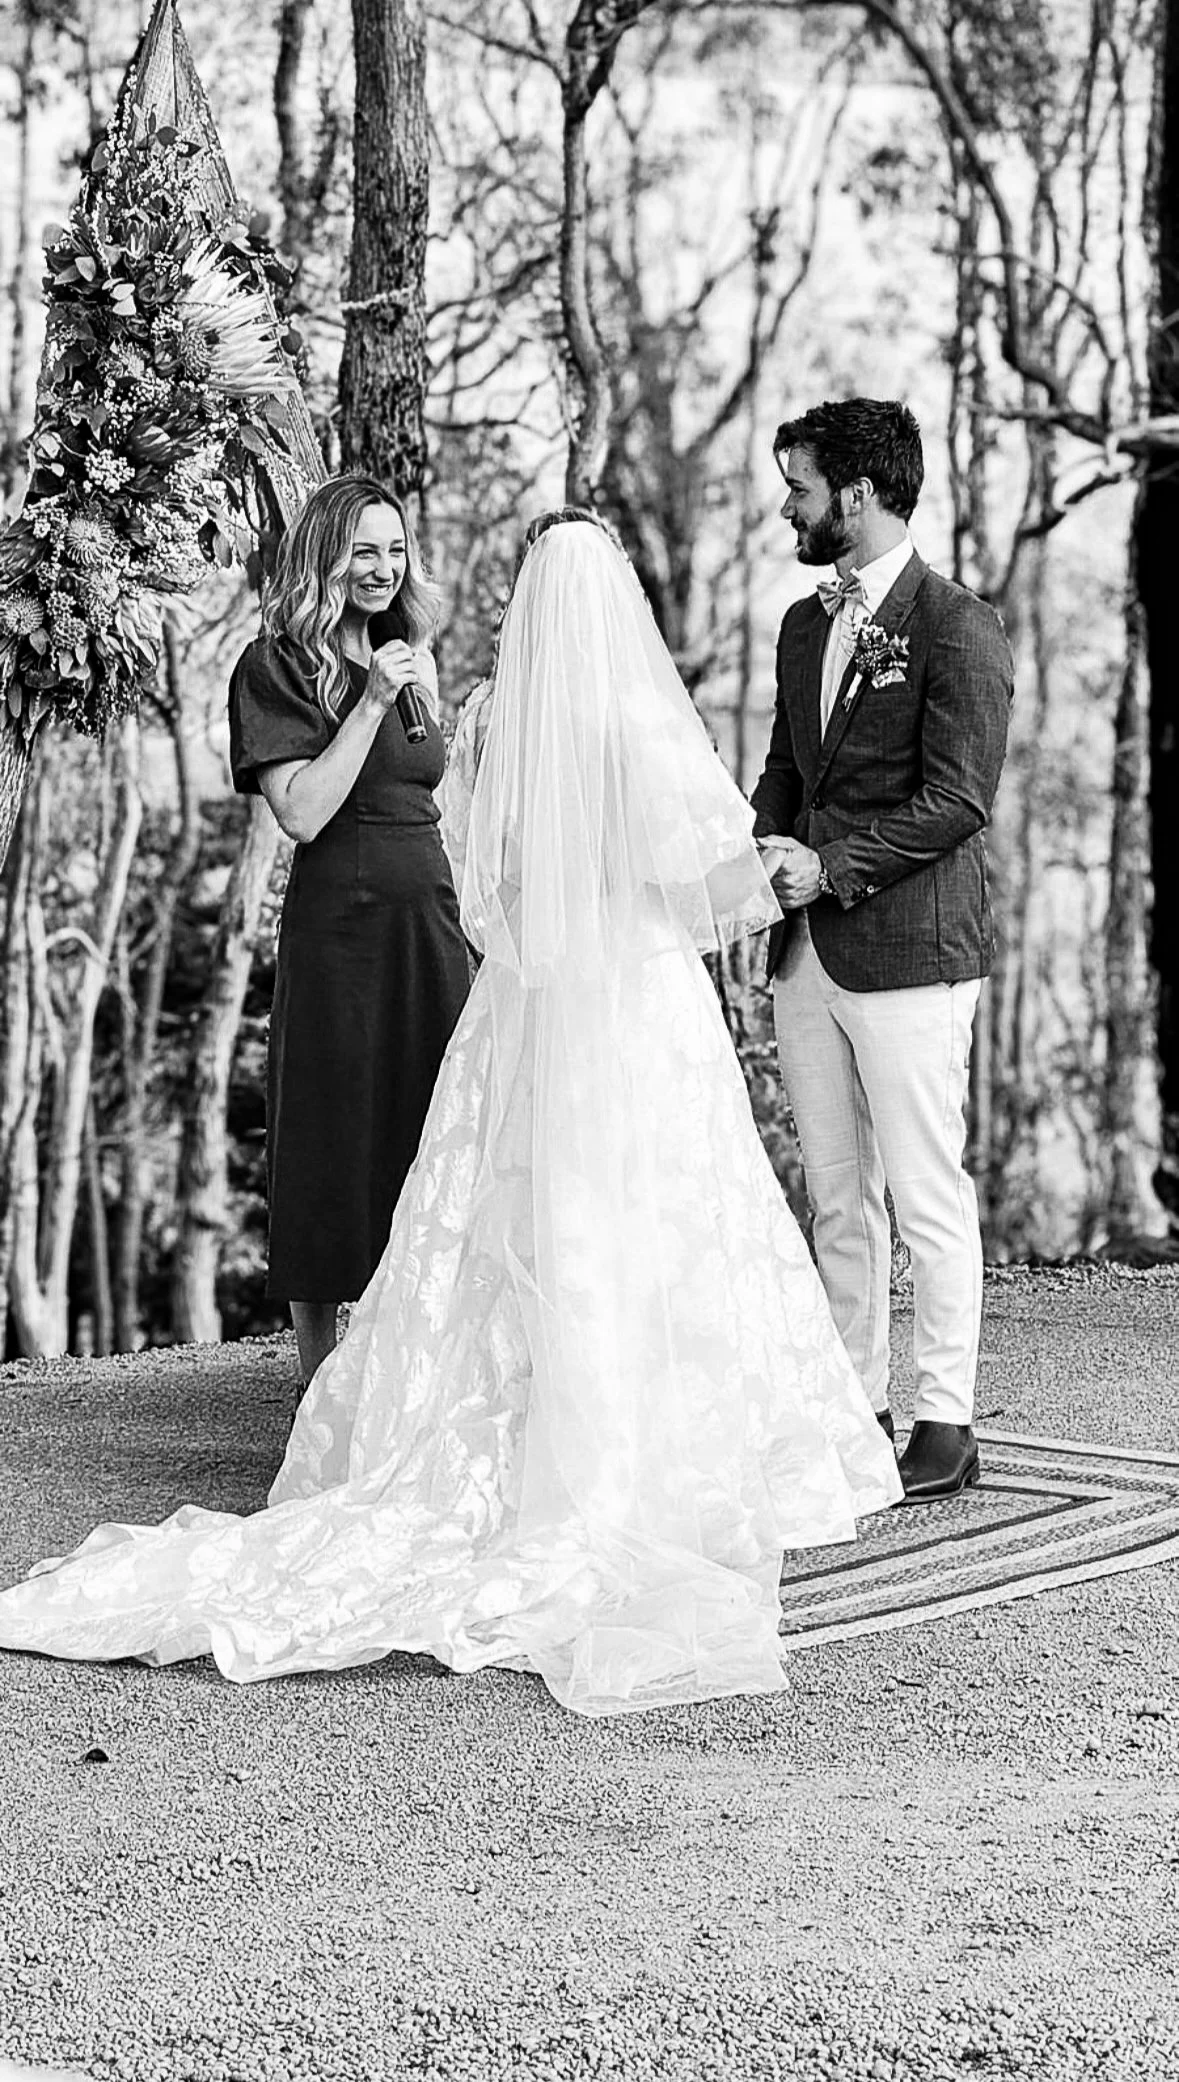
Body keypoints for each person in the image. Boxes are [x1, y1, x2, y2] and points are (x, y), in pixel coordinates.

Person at [0, 516, 901, 1716]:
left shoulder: (487, 716)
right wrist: (771, 871)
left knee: (508, 1209)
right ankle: (639, 1442)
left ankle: (506, 1432)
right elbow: (708, 875)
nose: (385, 569)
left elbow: (480, 872)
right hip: (620, 995)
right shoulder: (616, 718)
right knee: (649, 1206)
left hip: (523, 1000)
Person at [751, 398, 1013, 1503]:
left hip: (910, 950)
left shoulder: (958, 625)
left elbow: (959, 800)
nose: (789, 506)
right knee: (836, 1191)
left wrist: (833, 865)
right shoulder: (805, 624)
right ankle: (854, 1404)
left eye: (801, 487)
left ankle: (946, 1423)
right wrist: (754, 850)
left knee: (925, 1190)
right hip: (806, 952)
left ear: (856, 494)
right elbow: (784, 771)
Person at [227, 476, 471, 1385]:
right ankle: (318, 1377)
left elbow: (433, 794)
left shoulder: (412, 652)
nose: (382, 569)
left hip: (430, 918)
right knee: (331, 1127)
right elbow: (301, 813)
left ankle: (429, 1359)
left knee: (439, 1123)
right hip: (341, 924)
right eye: (363, 551)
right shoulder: (275, 665)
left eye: (395, 550)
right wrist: (367, 702)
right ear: (326, 555)